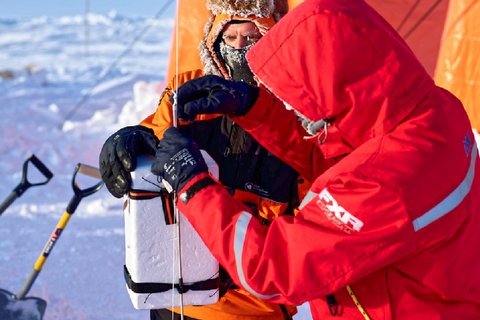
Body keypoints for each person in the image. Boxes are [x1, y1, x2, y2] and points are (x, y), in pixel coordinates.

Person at [150, 0, 480, 319]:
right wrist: (256, 108)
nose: (303, 110)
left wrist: (192, 185)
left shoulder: (387, 181)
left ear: (338, 78)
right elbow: (340, 160)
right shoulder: (430, 110)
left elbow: (274, 269)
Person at [99, 0, 301, 319]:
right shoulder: (191, 89)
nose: (238, 49)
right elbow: (157, 131)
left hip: (252, 306)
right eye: (230, 38)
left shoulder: (296, 107)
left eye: (250, 38)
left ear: (272, 37)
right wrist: (128, 137)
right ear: (214, 39)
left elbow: (308, 209)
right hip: (173, 289)